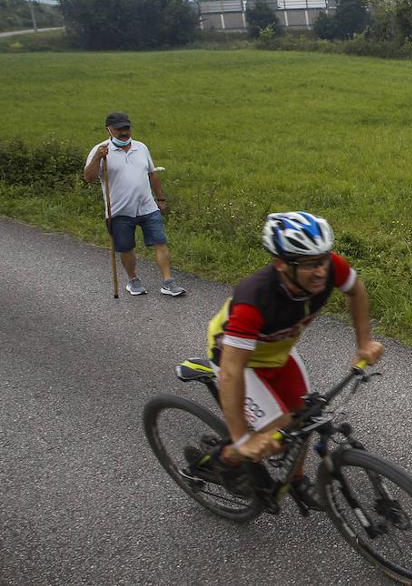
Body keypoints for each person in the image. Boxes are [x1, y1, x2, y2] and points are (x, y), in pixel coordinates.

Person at [199, 211, 384, 508]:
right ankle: (227, 457)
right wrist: (243, 439)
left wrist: (363, 343)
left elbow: (357, 291)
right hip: (238, 363)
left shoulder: (329, 267)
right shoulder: (254, 300)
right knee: (280, 433)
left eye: (322, 260)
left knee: (305, 417)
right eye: (310, 265)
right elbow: (232, 371)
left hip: (277, 353)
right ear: (281, 264)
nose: (321, 272)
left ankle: (296, 480)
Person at [83, 111, 186, 297]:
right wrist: (98, 157)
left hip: (147, 206)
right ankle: (133, 280)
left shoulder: (141, 147)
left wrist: (160, 199)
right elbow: (88, 178)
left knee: (160, 242)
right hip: (119, 211)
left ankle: (168, 282)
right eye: (119, 129)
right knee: (126, 247)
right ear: (109, 129)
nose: (124, 132)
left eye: (127, 128)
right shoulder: (101, 150)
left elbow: (152, 174)